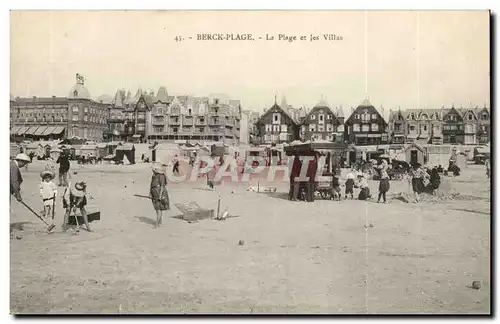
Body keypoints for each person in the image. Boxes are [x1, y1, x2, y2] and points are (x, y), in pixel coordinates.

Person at [150, 162, 170, 228]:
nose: (152, 170)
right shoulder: (154, 176)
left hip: (159, 193)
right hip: (154, 193)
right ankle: (160, 222)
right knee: (157, 209)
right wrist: (150, 193)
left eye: (153, 169)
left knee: (159, 209)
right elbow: (152, 185)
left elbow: (162, 186)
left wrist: (160, 196)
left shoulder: (161, 176)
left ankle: (156, 224)